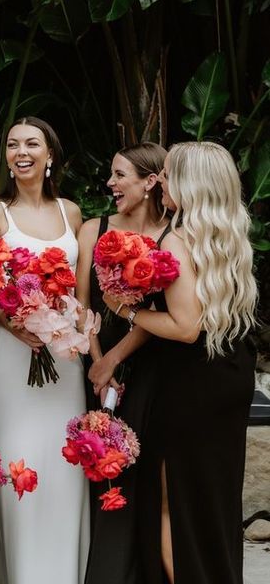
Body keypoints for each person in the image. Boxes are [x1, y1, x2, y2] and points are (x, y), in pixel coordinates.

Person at [102, 141, 257, 584]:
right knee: (214, 500)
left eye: (168, 174)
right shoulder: (226, 233)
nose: (161, 182)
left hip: (190, 382)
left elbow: (185, 326)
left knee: (172, 503)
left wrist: (124, 309)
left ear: (188, 183)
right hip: (229, 371)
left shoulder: (176, 238)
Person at [0, 116, 89, 584]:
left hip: (64, 357)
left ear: (50, 154)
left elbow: (80, 295)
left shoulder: (72, 213)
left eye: (32, 143)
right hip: (12, 356)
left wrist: (70, 331)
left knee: (63, 467)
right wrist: (15, 322)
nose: (21, 151)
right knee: (20, 464)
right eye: (13, 144)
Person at [76, 142, 168, 584]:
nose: (110, 184)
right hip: (98, 372)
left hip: (155, 368)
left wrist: (114, 359)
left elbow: (167, 315)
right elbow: (82, 304)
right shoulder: (93, 229)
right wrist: (98, 365)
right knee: (108, 470)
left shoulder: (171, 235)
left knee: (149, 477)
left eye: (119, 175)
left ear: (150, 182)